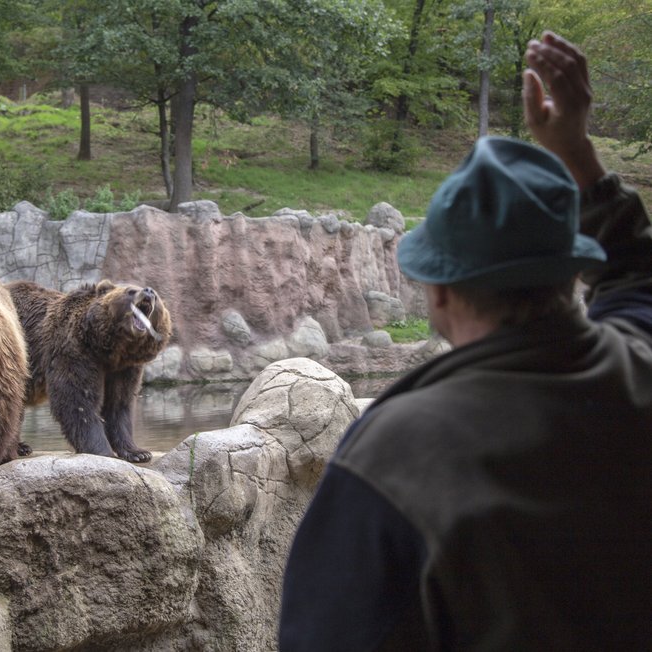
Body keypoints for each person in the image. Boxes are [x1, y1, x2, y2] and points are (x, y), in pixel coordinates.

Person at [278, 32, 652, 650]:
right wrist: (574, 148)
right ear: (570, 271)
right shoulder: (638, 367)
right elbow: (639, 272)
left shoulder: (396, 457)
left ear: (441, 290)